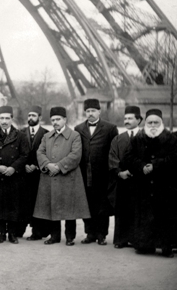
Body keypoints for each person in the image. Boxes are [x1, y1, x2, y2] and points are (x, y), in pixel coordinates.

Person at [123, 109, 177, 257]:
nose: (153, 125)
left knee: (164, 216)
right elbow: (127, 157)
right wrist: (141, 166)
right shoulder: (138, 138)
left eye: (156, 122)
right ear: (145, 123)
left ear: (161, 123)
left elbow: (174, 159)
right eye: (150, 122)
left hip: (164, 185)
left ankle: (166, 247)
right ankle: (144, 246)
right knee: (144, 216)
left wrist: (155, 165)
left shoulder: (171, 139)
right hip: (143, 185)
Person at [34, 107, 90, 246]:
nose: (55, 122)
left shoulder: (74, 135)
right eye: (53, 120)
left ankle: (70, 237)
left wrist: (58, 166)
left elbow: (75, 155)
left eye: (58, 119)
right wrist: (48, 165)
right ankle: (55, 236)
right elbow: (40, 152)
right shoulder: (47, 136)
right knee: (53, 207)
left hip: (69, 178)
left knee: (69, 209)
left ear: (65, 119)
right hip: (50, 178)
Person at [75, 99, 118, 245]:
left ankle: (101, 235)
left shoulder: (110, 128)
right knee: (86, 204)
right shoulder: (78, 128)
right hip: (84, 173)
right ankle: (90, 233)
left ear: (99, 111)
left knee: (102, 206)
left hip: (102, 174)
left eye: (93, 111)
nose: (90, 114)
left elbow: (114, 151)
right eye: (88, 111)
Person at [0, 105, 29, 244]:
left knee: (13, 205)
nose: (4, 121)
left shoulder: (20, 135)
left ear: (11, 119)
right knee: (0, 206)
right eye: (1, 118)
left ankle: (12, 234)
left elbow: (25, 155)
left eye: (6, 118)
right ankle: (2, 233)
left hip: (15, 177)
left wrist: (13, 168)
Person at [108, 106, 142, 249]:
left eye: (130, 118)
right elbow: (112, 157)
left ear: (139, 120)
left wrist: (139, 171)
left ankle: (137, 240)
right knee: (122, 210)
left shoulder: (145, 137)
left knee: (139, 210)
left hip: (140, 181)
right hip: (122, 180)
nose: (127, 121)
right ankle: (121, 239)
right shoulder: (118, 139)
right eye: (125, 118)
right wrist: (119, 172)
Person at [17, 105, 50, 240]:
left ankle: (37, 231)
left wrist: (37, 166)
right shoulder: (20, 132)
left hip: (39, 175)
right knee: (23, 202)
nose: (30, 118)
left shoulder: (47, 134)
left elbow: (49, 153)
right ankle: (19, 230)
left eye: (33, 115)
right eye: (29, 115)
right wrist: (24, 165)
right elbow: (17, 152)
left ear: (40, 118)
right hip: (23, 175)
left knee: (39, 203)